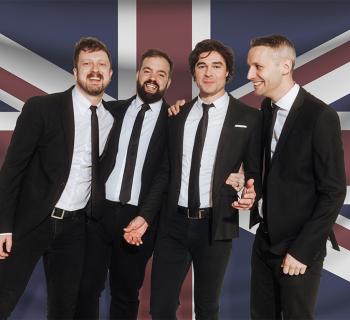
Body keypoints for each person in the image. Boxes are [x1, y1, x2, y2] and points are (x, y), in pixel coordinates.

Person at [124, 39, 262, 320]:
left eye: (216, 66)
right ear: (194, 73)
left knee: (207, 308)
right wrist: (146, 216)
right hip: (172, 224)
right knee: (160, 308)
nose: (208, 72)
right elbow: (165, 172)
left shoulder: (249, 118)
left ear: (227, 73)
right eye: (202, 66)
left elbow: (256, 172)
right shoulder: (177, 115)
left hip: (216, 225)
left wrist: (251, 192)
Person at [0, 37, 114, 318]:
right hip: (29, 222)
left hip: (75, 229)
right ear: (75, 72)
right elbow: (12, 169)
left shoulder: (112, 119)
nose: (95, 70)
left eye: (101, 64)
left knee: (64, 309)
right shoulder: (41, 108)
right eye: (87, 64)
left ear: (111, 74)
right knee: (4, 297)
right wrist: (3, 227)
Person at [246, 34, 346, 319]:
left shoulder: (320, 116)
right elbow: (272, 169)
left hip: (299, 246)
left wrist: (302, 251)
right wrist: (251, 191)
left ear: (285, 67)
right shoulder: (266, 108)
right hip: (264, 241)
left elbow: (334, 191)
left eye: (257, 67)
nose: (250, 75)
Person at [74, 49, 173, 320]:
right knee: (86, 289)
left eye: (161, 74)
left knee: (126, 293)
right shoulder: (110, 110)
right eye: (148, 71)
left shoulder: (175, 121)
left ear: (168, 82)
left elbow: (165, 174)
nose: (153, 78)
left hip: (139, 219)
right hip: (98, 213)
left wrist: (145, 216)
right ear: (139, 74)